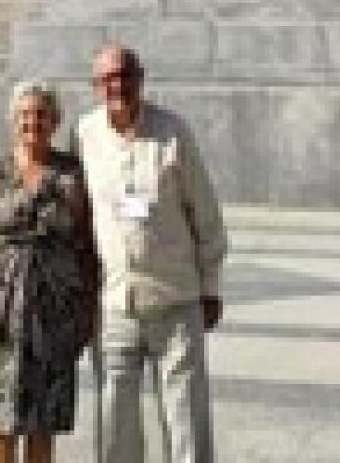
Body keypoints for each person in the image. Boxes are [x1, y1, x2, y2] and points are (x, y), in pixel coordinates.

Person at [74, 45, 227, 463]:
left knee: (186, 424)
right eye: (108, 79)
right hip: (115, 306)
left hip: (175, 300)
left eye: (125, 75)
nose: (117, 85)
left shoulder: (173, 133)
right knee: (115, 424)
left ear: (140, 77)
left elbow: (206, 214)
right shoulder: (85, 135)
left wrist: (209, 287)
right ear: (95, 87)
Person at [0, 78, 99, 463]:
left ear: (54, 121)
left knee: (42, 424)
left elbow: (88, 247)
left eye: (40, 114)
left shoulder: (72, 174)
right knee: (0, 423)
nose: (31, 122)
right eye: (24, 114)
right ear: (12, 121)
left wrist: (89, 311)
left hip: (54, 315)